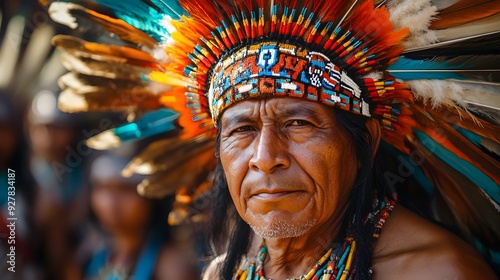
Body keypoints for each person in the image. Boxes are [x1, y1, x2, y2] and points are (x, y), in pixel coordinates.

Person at [44, 0, 500, 279]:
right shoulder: (224, 273)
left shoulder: (437, 273)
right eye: (241, 130)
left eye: (299, 124)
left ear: (367, 142)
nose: (265, 159)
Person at [84, 148, 200, 280]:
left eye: (125, 189)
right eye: (102, 188)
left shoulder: (171, 267)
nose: (110, 202)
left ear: (152, 198)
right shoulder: (88, 259)